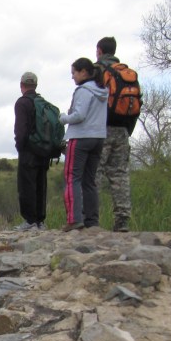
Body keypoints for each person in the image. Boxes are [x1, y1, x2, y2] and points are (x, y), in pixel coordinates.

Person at [59, 58, 108, 231]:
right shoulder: (103, 91)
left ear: (84, 72)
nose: (72, 76)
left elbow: (79, 115)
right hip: (98, 138)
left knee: (72, 177)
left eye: (74, 73)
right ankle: (92, 221)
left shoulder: (83, 90)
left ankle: (74, 220)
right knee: (89, 180)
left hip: (80, 138)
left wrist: (63, 118)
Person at [96, 36, 136, 232]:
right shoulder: (127, 73)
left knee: (94, 172)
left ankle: (91, 217)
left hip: (101, 129)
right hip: (123, 129)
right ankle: (122, 220)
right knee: (120, 174)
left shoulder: (98, 70)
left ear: (99, 51)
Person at [12, 71, 50, 231]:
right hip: (44, 150)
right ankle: (40, 221)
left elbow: (20, 130)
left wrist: (19, 147)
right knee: (41, 184)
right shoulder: (43, 103)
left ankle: (30, 221)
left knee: (26, 185)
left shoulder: (22, 103)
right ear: (35, 85)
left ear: (21, 85)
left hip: (28, 150)